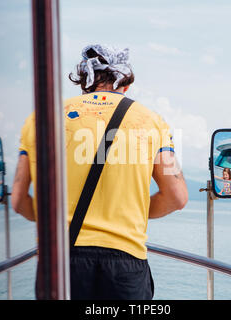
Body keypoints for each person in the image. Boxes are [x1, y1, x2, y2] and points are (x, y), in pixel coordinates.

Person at [11, 44, 188, 300]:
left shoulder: (41, 118)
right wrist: (128, 211)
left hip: (60, 261)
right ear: (125, 84)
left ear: (84, 82)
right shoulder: (152, 121)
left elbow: (18, 200)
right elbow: (177, 197)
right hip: (125, 263)